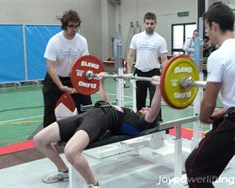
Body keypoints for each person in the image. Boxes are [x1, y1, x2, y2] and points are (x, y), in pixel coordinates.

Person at [33, 73, 162, 188]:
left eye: (147, 109)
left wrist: (158, 88)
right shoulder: (128, 112)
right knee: (39, 140)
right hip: (88, 115)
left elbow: (155, 110)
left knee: (71, 152)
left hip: (100, 120)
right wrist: (101, 81)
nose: (146, 107)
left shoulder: (140, 123)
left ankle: (93, 184)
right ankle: (63, 171)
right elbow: (106, 103)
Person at [185, 2, 235, 188]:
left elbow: (208, 104)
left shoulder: (218, 56)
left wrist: (205, 118)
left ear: (214, 25)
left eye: (207, 29)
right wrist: (226, 111)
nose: (207, 34)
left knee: (195, 168)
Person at [42, 9, 92, 128]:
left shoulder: (82, 41)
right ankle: (49, 137)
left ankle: (86, 130)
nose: (74, 29)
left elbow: (84, 63)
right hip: (55, 78)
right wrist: (60, 86)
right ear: (64, 26)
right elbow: (50, 66)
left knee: (86, 105)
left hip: (74, 78)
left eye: (76, 26)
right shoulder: (54, 41)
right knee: (50, 107)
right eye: (71, 26)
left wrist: (78, 83)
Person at [126, 12, 168, 122]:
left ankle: (157, 122)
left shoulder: (160, 39)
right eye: (147, 23)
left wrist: (165, 75)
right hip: (139, 72)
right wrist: (129, 72)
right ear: (144, 23)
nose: (149, 26)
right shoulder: (136, 38)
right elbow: (130, 55)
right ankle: (139, 123)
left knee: (155, 100)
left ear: (155, 23)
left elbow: (164, 59)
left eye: (152, 23)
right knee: (139, 100)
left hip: (154, 72)